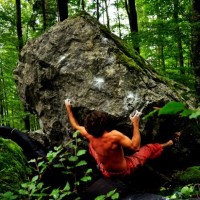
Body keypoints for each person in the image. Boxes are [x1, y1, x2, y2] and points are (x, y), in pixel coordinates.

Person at [64, 99, 176, 178]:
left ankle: (101, 167)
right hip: (123, 170)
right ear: (104, 125)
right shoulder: (114, 136)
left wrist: (68, 109)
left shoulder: (88, 134)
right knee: (148, 149)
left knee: (90, 146)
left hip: (106, 171)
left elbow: (75, 126)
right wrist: (135, 124)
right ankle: (167, 144)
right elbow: (135, 147)